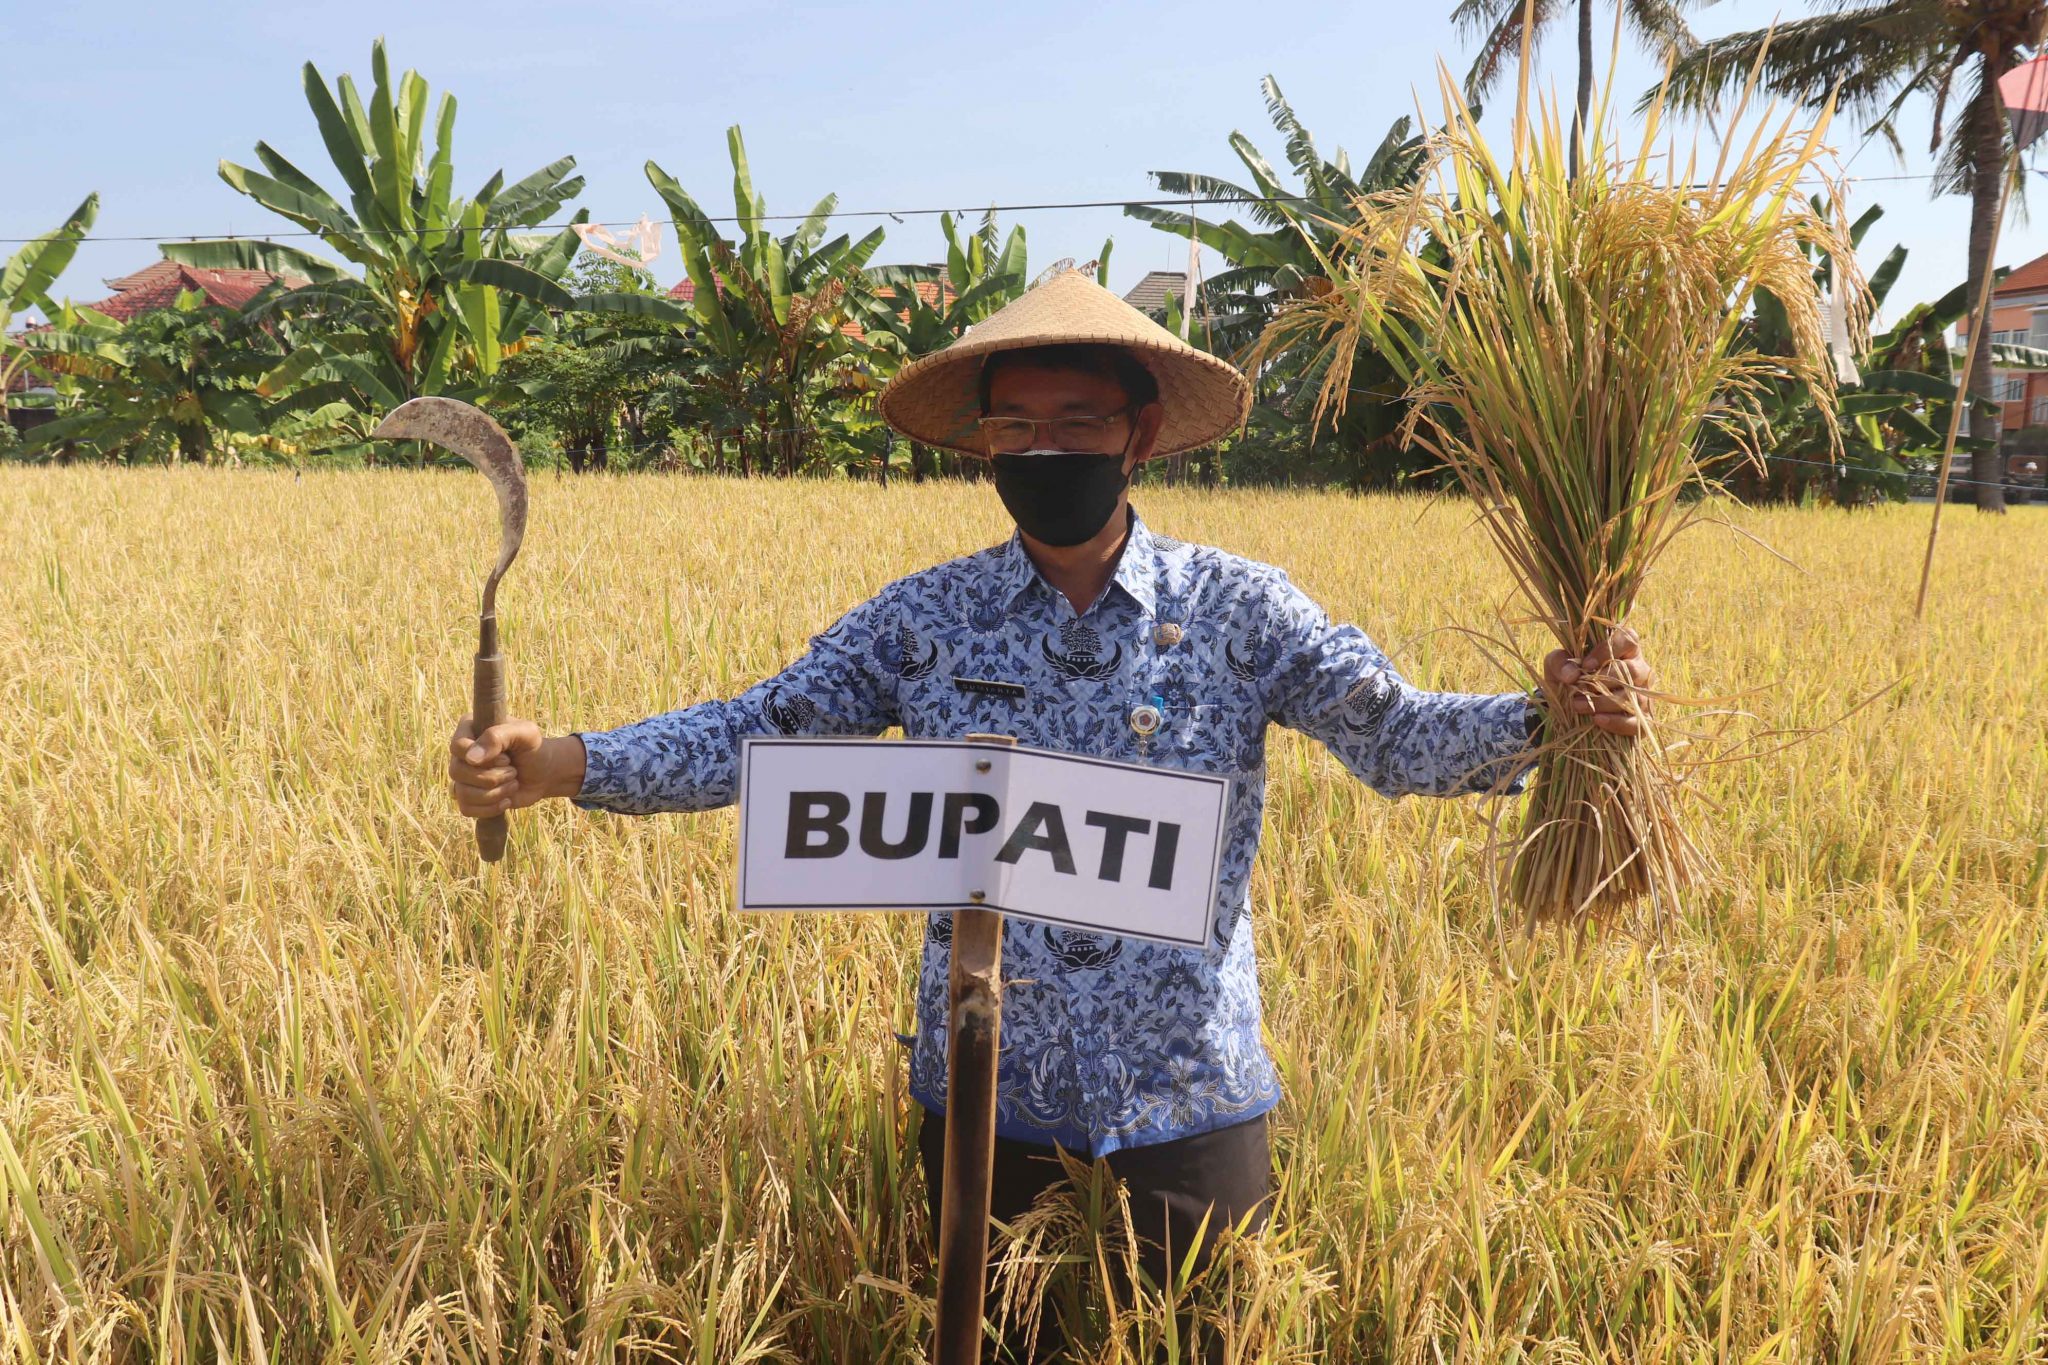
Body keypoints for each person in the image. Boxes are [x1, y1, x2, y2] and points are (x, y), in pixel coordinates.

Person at [444, 267, 1652, 1361]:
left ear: (1135, 437)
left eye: (1075, 423)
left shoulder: (1235, 610)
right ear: (980, 447)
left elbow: (1394, 734)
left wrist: (1548, 718)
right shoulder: (927, 617)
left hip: (1183, 1090)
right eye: (1014, 426)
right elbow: (764, 731)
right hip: (984, 1085)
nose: (1044, 449)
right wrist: (563, 762)